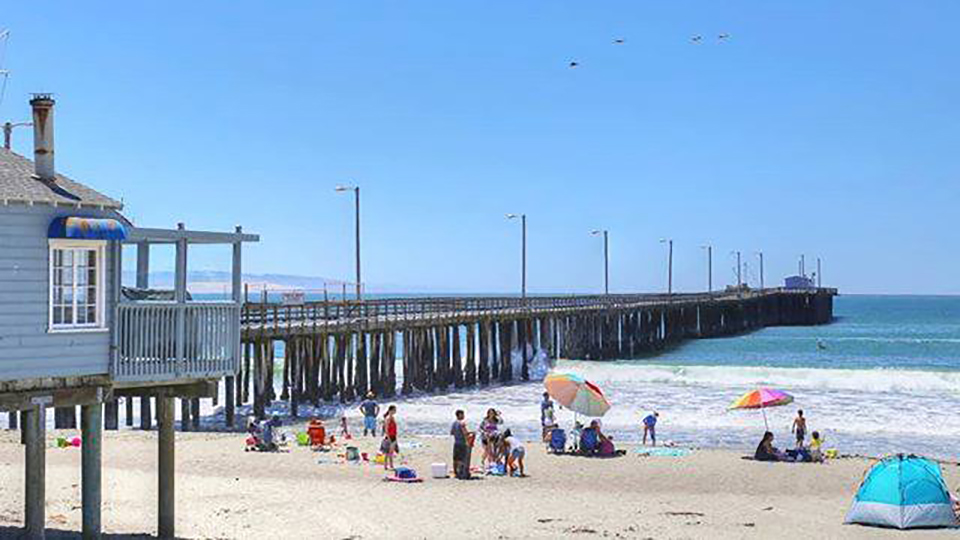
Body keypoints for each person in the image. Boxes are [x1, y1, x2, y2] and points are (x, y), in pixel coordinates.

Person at [450, 410, 471, 479]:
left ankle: (455, 472)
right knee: (462, 458)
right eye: (462, 414)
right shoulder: (462, 423)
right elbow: (465, 433)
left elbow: (451, 433)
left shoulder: (454, 423)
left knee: (455, 458)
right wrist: (470, 434)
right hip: (462, 443)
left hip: (456, 442)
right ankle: (461, 473)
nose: (464, 416)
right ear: (459, 415)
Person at [382, 405, 398, 471]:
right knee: (387, 452)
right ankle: (385, 466)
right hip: (389, 437)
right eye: (394, 410)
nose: (395, 411)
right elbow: (386, 429)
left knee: (391, 452)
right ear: (391, 410)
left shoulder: (393, 418)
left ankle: (391, 465)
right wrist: (388, 438)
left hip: (393, 436)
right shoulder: (388, 418)